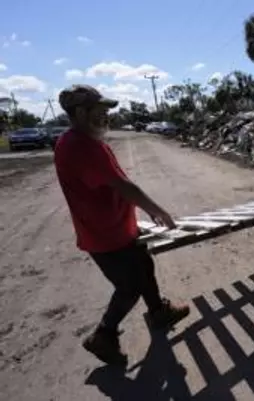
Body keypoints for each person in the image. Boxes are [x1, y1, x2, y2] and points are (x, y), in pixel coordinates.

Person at [53, 84, 190, 366]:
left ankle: (158, 312)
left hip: (115, 226)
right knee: (128, 287)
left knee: (144, 265)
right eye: (100, 111)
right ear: (80, 112)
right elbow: (124, 186)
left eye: (107, 112)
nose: (106, 117)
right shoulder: (81, 146)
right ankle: (103, 335)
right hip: (106, 235)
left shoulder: (81, 141)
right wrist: (158, 211)